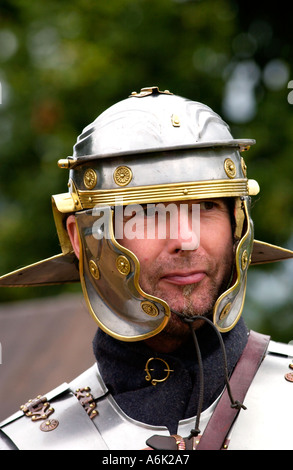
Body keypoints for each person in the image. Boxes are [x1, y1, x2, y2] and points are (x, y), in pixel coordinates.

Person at [0, 86, 293, 451]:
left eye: (206, 206)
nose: (186, 239)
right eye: (151, 212)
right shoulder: (26, 445)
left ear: (238, 222)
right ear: (81, 238)